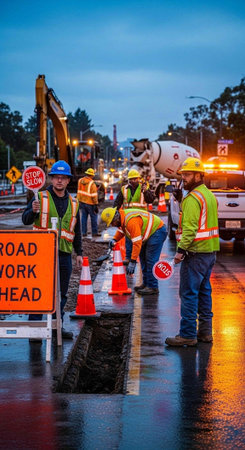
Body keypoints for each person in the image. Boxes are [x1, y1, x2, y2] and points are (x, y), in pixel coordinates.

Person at [22, 160, 83, 340]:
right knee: (39, 291)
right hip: (42, 254)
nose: (59, 181)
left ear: (68, 181)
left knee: (61, 293)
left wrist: (79, 253)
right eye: (56, 177)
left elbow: (76, 230)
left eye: (63, 178)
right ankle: (35, 329)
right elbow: (25, 220)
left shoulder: (74, 203)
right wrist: (32, 211)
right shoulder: (39, 198)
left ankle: (58, 326)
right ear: (51, 179)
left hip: (64, 254)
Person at [165, 157, 219, 347]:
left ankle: (187, 334)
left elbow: (190, 228)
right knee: (204, 292)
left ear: (199, 175)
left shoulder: (192, 199)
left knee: (188, 293)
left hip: (195, 253)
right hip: (210, 252)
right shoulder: (208, 195)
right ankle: (205, 333)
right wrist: (180, 202)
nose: (184, 178)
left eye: (187, 175)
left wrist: (180, 251)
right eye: (183, 175)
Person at [101, 207, 167, 295]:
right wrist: (114, 239)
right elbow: (121, 230)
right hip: (150, 233)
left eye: (112, 223)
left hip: (157, 231)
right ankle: (146, 283)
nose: (112, 225)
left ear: (116, 218)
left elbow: (137, 243)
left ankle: (152, 287)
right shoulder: (122, 218)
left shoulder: (131, 221)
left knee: (150, 260)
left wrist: (132, 261)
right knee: (143, 258)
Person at [113, 169, 155, 265]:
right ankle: (128, 258)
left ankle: (141, 258)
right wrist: (114, 211)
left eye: (135, 179)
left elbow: (150, 200)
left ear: (139, 179)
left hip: (141, 219)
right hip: (128, 218)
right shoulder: (124, 189)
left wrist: (146, 191)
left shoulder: (143, 188)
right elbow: (118, 201)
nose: (133, 181)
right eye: (131, 179)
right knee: (128, 238)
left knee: (140, 239)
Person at [77, 168, 101, 237]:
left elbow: (79, 191)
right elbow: (94, 195)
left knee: (84, 217)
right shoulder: (92, 183)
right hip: (90, 203)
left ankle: (83, 232)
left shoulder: (80, 181)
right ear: (92, 175)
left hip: (82, 202)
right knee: (94, 217)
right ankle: (94, 232)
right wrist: (96, 204)